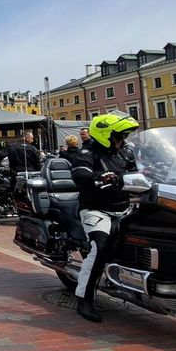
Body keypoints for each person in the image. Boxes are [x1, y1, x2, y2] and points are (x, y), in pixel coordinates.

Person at [70, 113, 140, 323]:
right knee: (100, 248)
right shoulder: (87, 152)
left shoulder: (125, 151)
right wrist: (96, 176)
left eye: (124, 136)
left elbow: (138, 169)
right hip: (96, 210)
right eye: (119, 136)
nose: (122, 140)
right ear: (105, 135)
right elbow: (79, 173)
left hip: (125, 207)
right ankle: (84, 299)